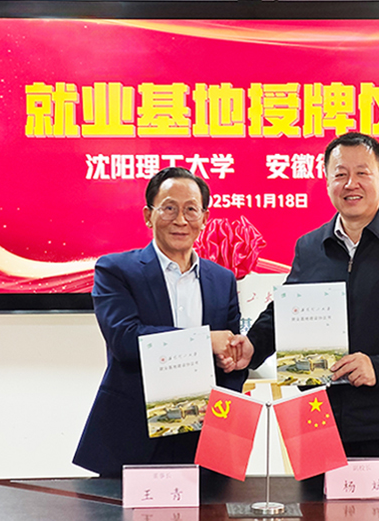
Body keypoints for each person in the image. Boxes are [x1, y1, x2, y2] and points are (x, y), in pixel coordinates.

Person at [246, 132, 379, 476]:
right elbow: (285, 312)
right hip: (315, 420)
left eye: (362, 173)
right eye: (340, 174)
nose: (351, 184)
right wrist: (250, 347)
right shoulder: (310, 246)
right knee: (314, 505)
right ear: (326, 180)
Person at [73, 167, 267, 476]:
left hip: (206, 438)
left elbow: (228, 355)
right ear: (148, 216)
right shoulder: (115, 270)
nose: (180, 220)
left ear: (204, 218)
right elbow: (125, 341)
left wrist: (230, 361)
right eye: (169, 208)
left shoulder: (222, 279)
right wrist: (206, 341)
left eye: (191, 209)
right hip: (135, 434)